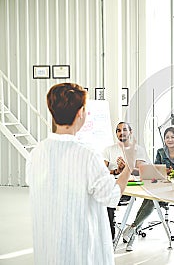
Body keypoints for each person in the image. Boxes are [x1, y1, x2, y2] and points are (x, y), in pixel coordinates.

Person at [26, 83, 136, 264]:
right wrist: (129, 168)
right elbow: (111, 196)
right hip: (80, 251)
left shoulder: (36, 152)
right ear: (80, 113)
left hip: (47, 249)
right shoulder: (87, 155)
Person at [122, 126, 174, 251]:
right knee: (149, 199)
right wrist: (160, 173)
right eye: (167, 137)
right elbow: (155, 171)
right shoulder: (160, 152)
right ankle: (132, 231)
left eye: (172, 137)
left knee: (151, 200)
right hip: (160, 187)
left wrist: (173, 173)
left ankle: (133, 229)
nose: (169, 140)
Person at [102, 122, 147, 241]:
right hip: (111, 187)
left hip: (130, 188)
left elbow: (141, 171)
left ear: (130, 132)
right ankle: (108, 235)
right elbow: (102, 172)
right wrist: (117, 171)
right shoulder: (109, 150)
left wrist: (127, 168)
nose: (121, 132)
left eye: (125, 130)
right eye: (118, 130)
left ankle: (129, 229)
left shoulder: (138, 150)